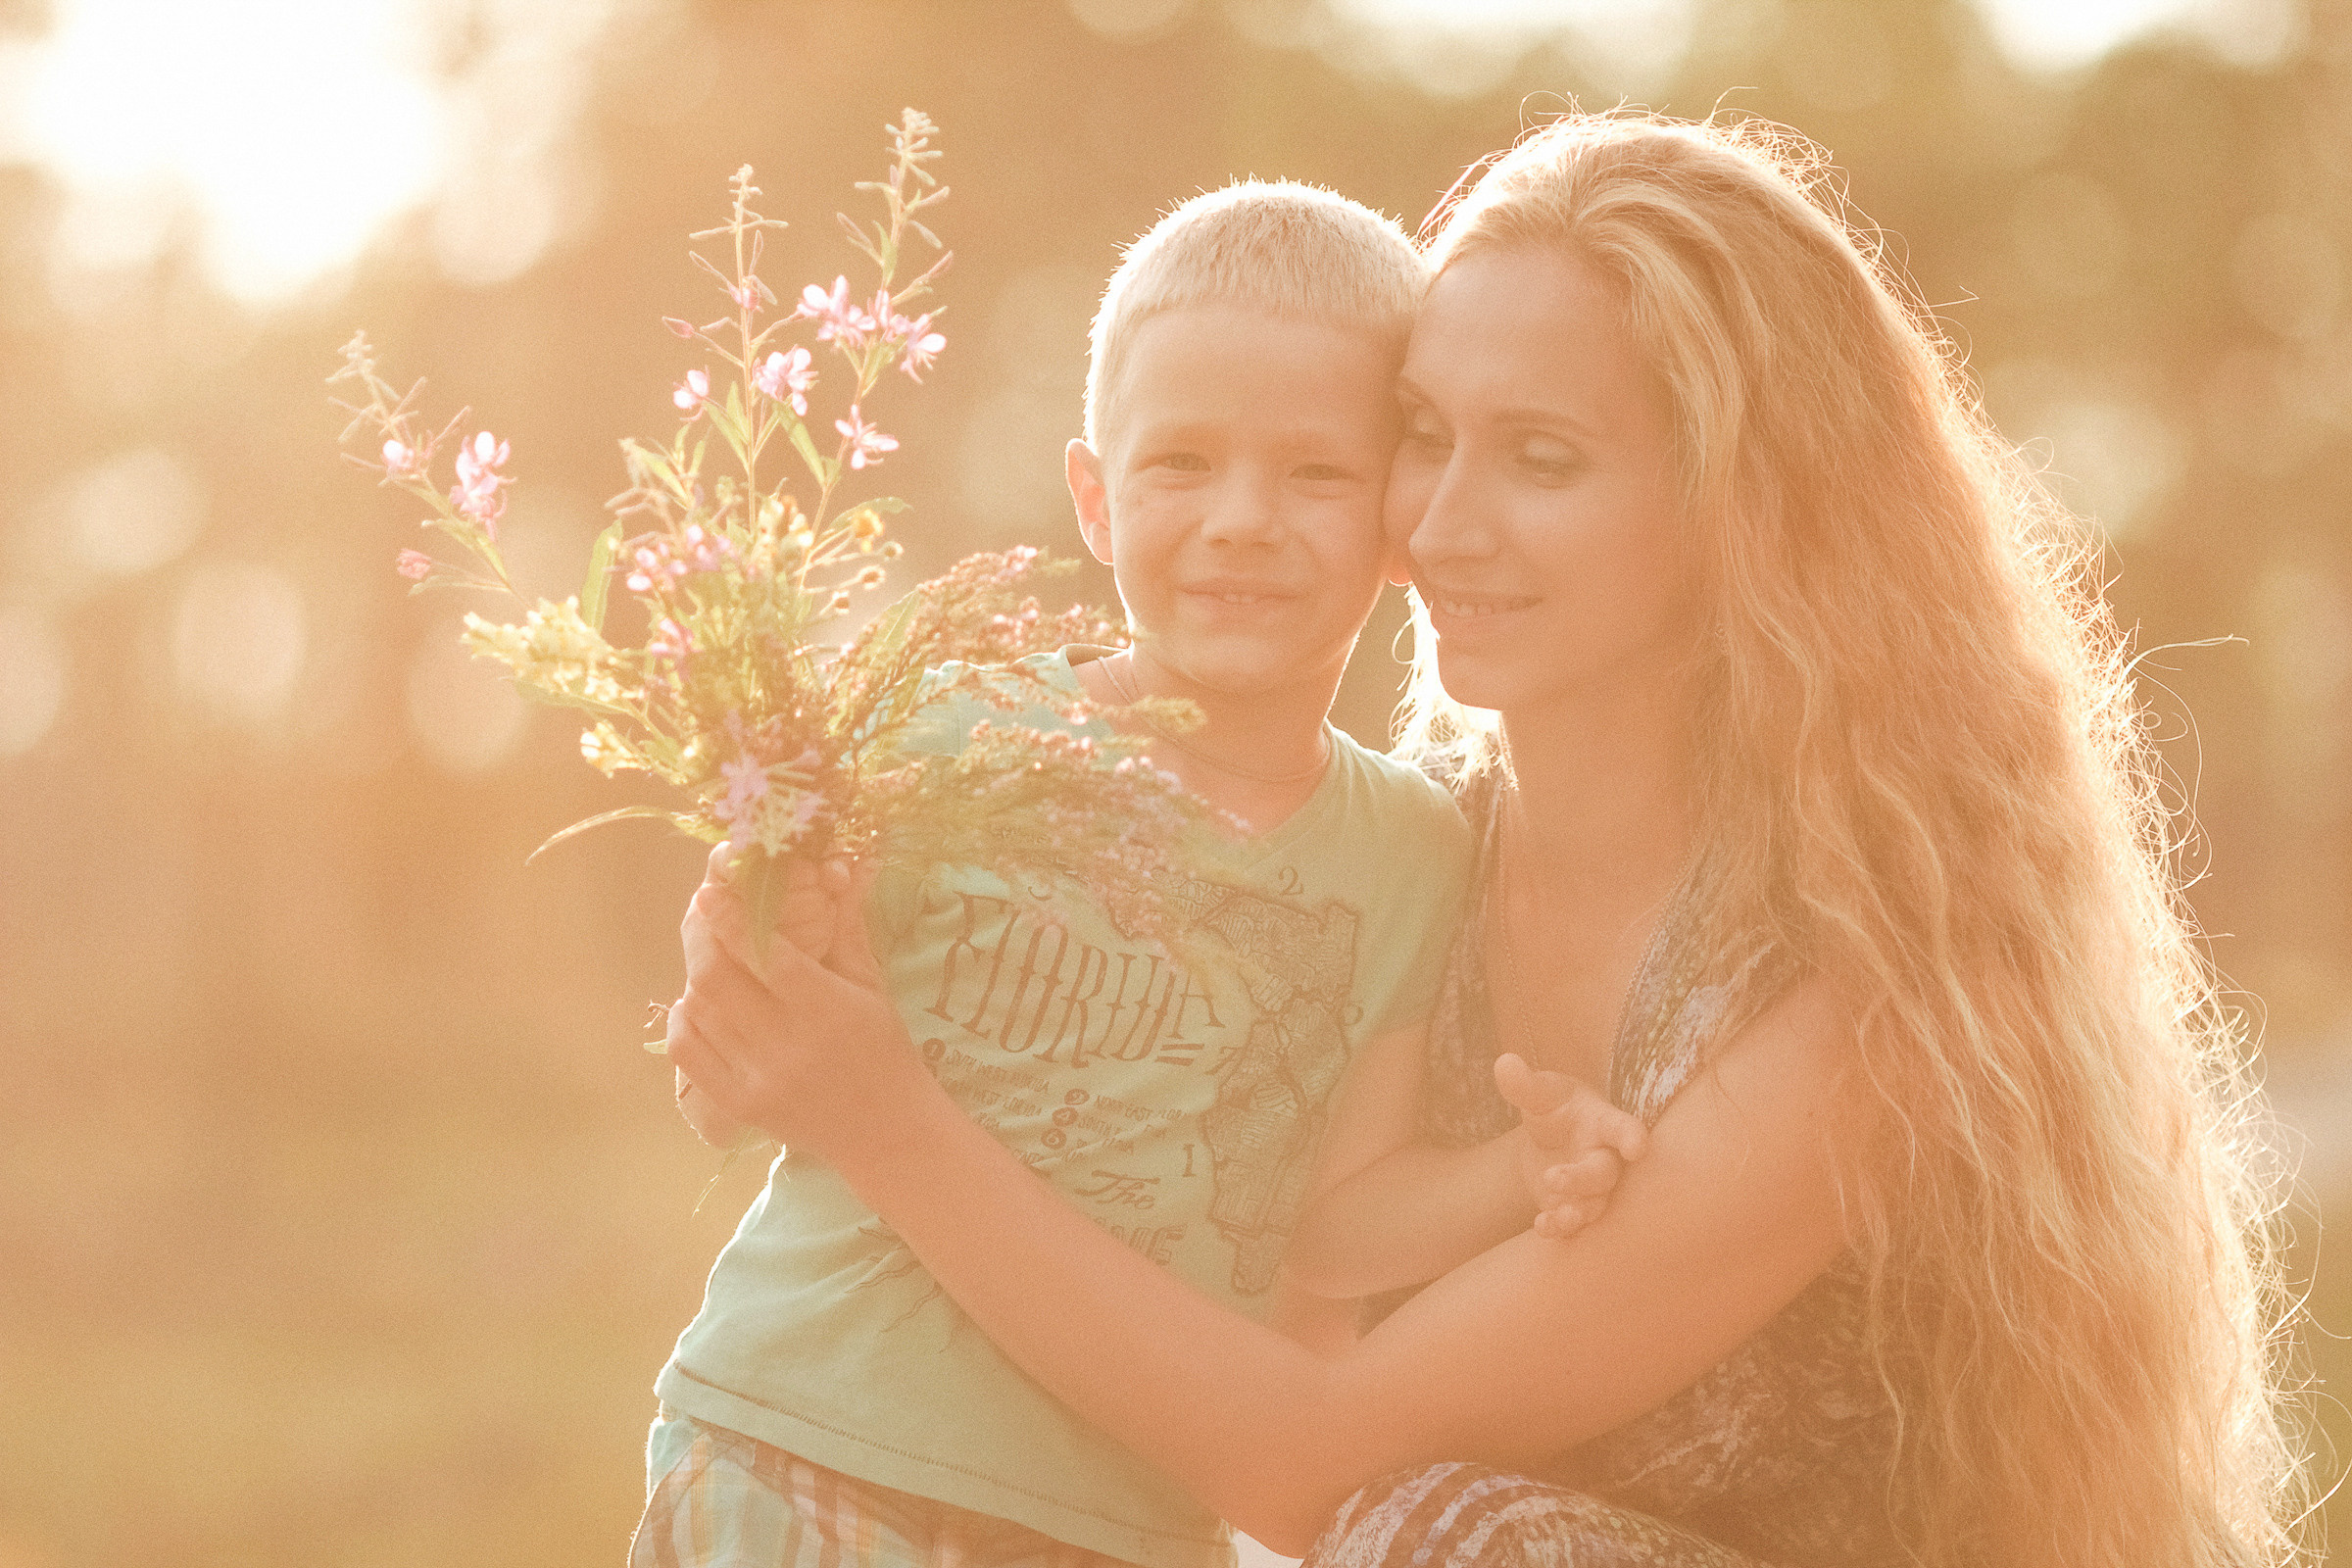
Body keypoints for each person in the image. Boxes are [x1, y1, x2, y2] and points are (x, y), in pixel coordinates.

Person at [665, 114, 2304, 1568]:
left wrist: (882, 1128)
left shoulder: (1869, 1005)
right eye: (1426, 438)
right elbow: (1258, 1289)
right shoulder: (1392, 870)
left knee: (1429, 1532)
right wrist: (784, 952)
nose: (1438, 525)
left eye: (1544, 459)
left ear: (1742, 511)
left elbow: (1312, 1464)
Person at [635, 179, 1642, 1568]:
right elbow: (720, 1092)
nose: (1242, 518)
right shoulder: (945, 744)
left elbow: (1326, 1230)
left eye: (1316, 473)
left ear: (1400, 526)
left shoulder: (1411, 854)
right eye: (1181, 467)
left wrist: (1513, 1174)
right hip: (804, 1457)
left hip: (1126, 1521)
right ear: (1097, 501)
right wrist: (773, 933)